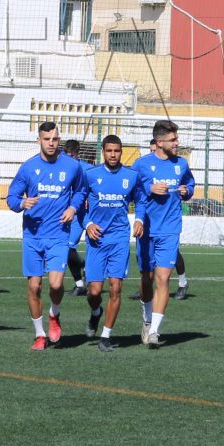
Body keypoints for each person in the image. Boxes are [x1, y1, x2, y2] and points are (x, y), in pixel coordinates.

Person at [7, 122, 86, 350]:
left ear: (59, 140)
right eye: (46, 139)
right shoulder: (28, 168)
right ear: (39, 140)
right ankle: (40, 334)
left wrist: (73, 208)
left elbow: (81, 190)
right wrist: (22, 202)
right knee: (34, 287)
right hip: (33, 235)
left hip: (59, 233)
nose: (51, 143)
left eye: (55, 139)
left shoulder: (72, 166)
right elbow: (11, 198)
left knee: (56, 283)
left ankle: (54, 314)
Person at [131, 120, 195, 349]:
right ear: (159, 142)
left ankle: (155, 330)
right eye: (173, 140)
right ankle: (146, 319)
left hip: (170, 229)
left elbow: (190, 184)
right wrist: (149, 189)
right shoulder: (141, 165)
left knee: (164, 278)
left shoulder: (182, 165)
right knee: (147, 279)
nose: (177, 143)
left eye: (177, 139)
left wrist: (187, 191)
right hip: (147, 229)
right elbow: (130, 190)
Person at [81, 135, 142, 352]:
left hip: (119, 239)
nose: (113, 155)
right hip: (96, 240)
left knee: (115, 288)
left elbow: (141, 200)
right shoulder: (90, 175)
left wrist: (139, 219)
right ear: (103, 152)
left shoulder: (131, 176)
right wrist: (88, 224)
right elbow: (79, 205)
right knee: (95, 291)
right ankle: (96, 313)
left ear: (121, 152)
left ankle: (106, 336)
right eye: (109, 151)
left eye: (117, 151)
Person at [62, 139, 90, 284]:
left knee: (93, 245)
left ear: (78, 154)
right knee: (68, 248)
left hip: (86, 214)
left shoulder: (88, 169)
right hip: (69, 213)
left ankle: (88, 269)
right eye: (66, 155)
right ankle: (79, 283)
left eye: (72, 156)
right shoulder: (61, 167)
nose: (69, 159)